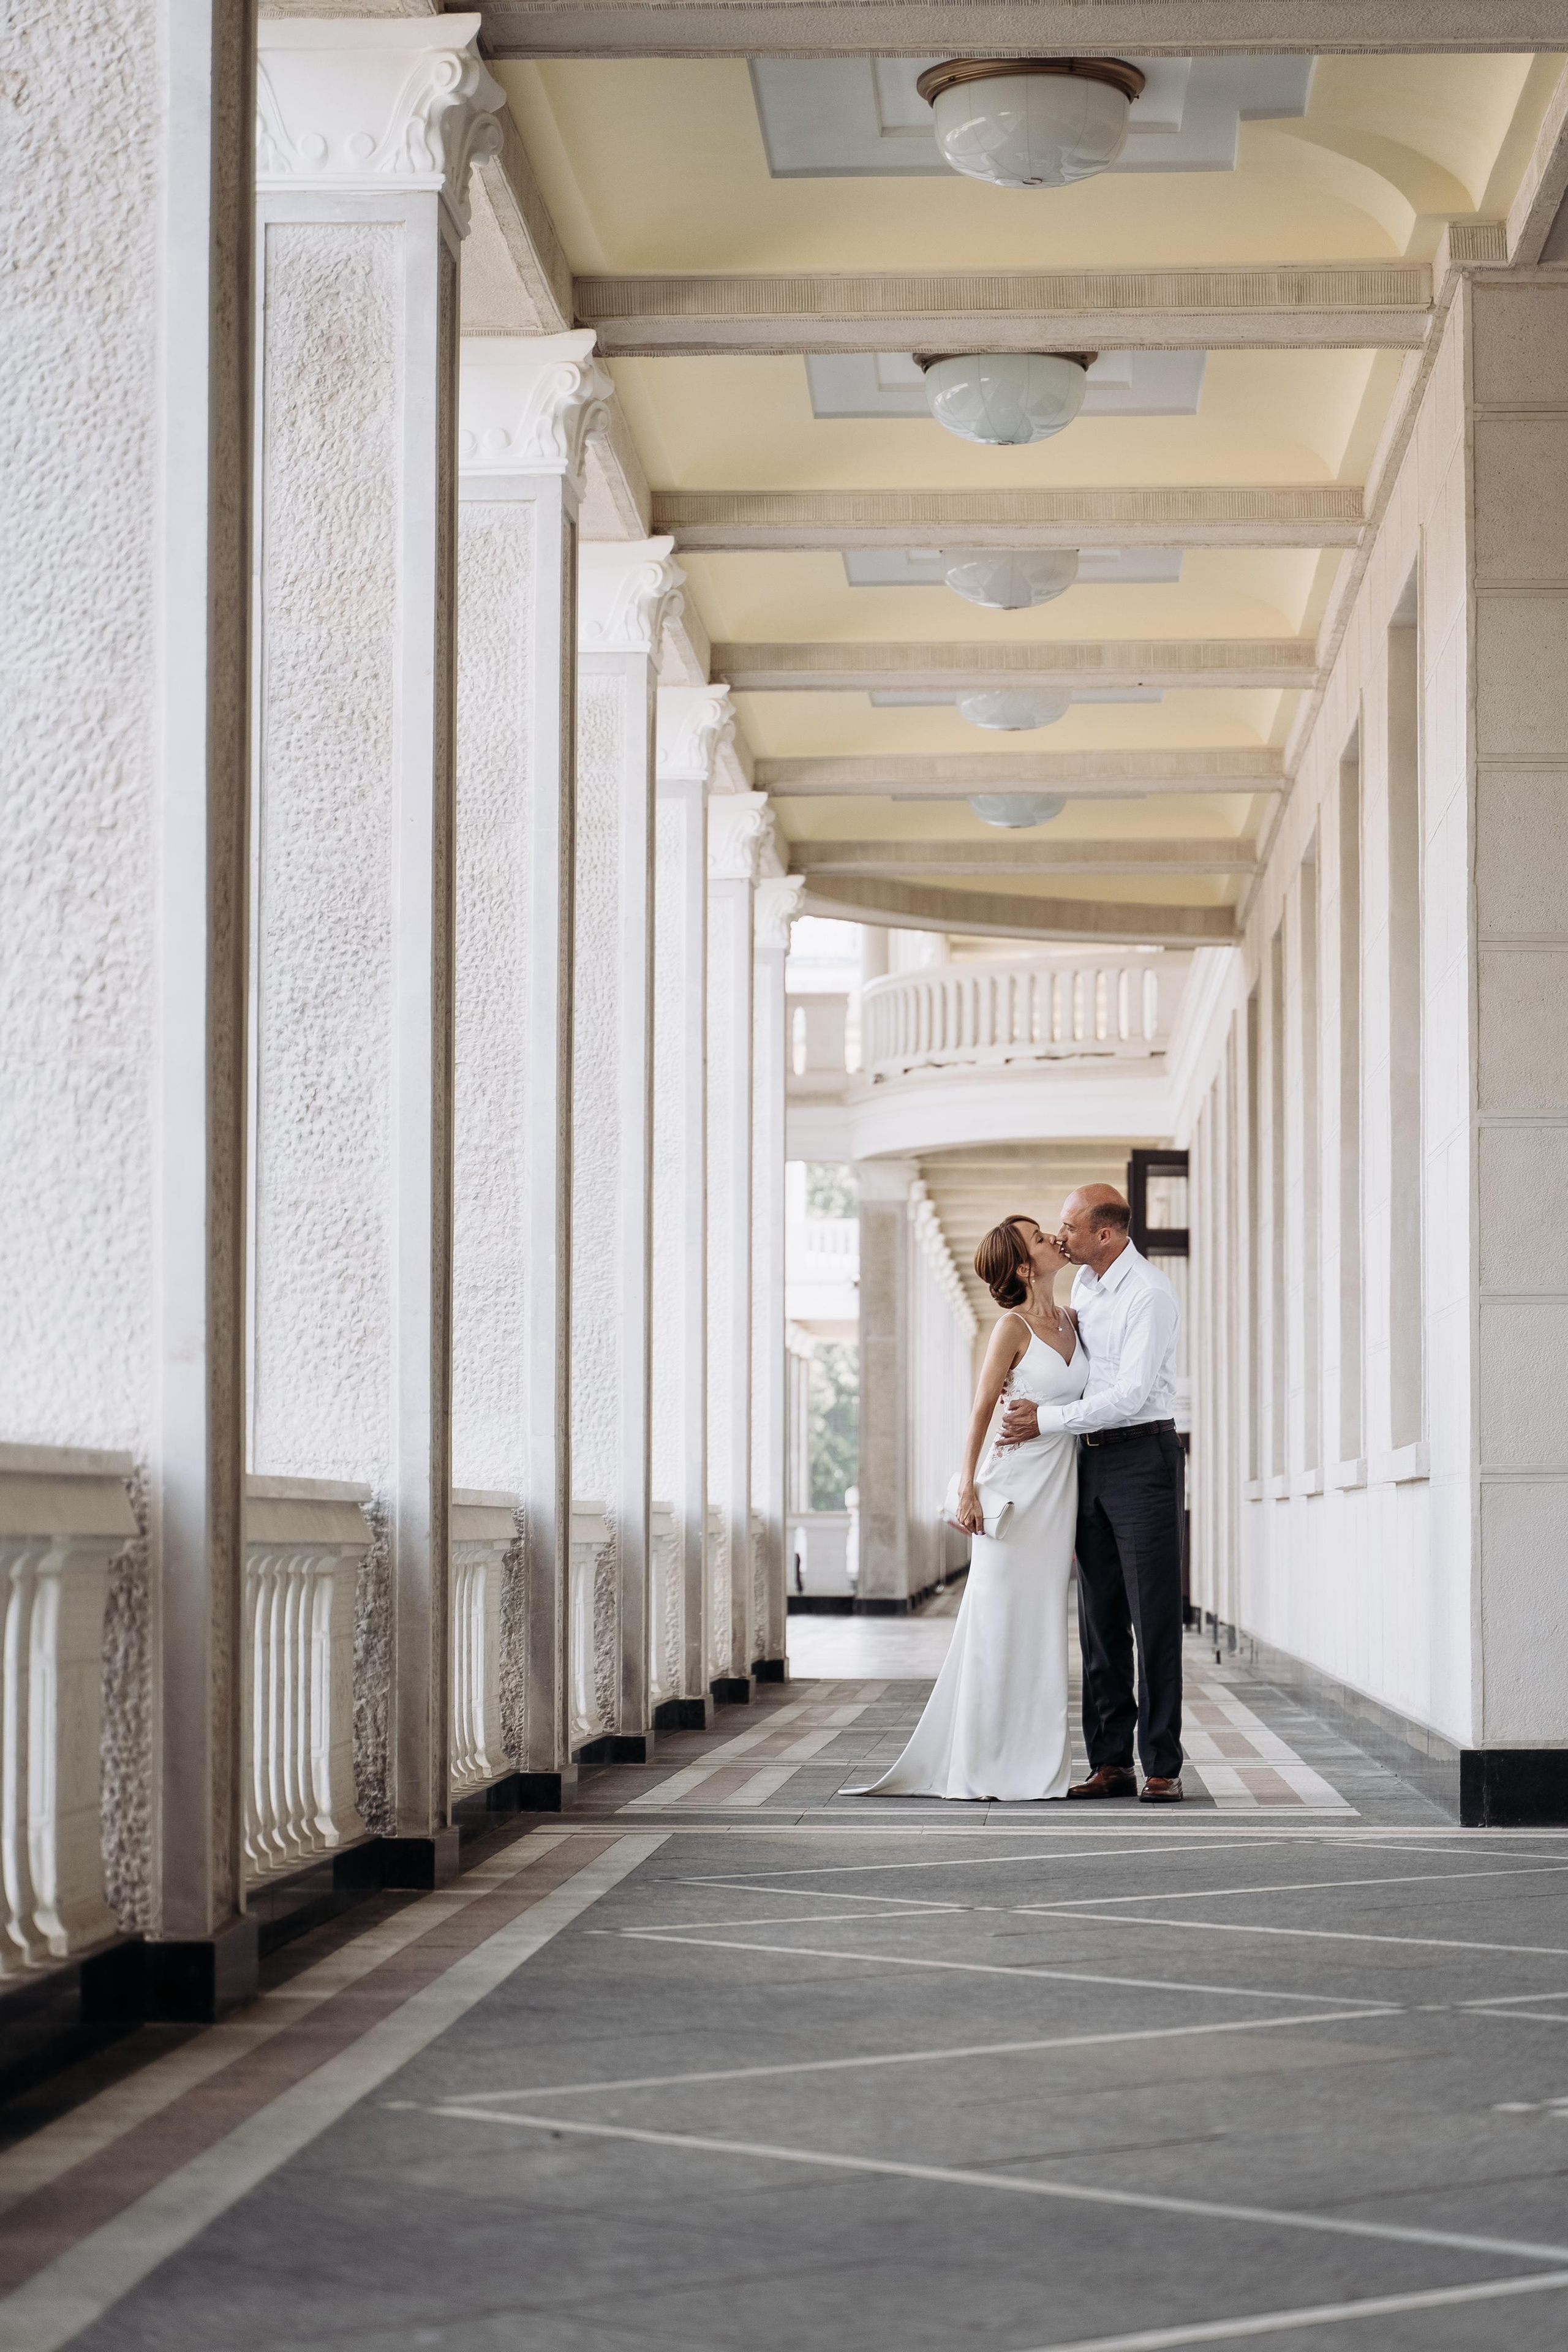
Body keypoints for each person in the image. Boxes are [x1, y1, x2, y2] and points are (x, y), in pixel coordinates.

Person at [845, 1214, 1086, 1801]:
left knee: (1043, 1625)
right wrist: (967, 1488)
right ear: (1024, 1266)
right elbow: (980, 1411)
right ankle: (983, 1762)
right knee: (1000, 1623)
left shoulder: (1076, 1320)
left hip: (1059, 1491)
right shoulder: (1011, 1328)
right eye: (1038, 1237)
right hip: (1014, 1492)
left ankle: (1037, 1761)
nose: (1053, 1237)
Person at [997, 1183, 1185, 1804]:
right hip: (1090, 1462)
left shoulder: (1149, 1294)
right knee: (1100, 1621)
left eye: (1069, 1227)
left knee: (1150, 1616)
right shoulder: (1084, 1289)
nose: (1060, 1236)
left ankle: (1161, 1764)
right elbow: (1082, 1372)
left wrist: (1045, 1420)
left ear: (1103, 1235)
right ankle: (1111, 1762)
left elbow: (1130, 1396)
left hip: (1142, 1460)